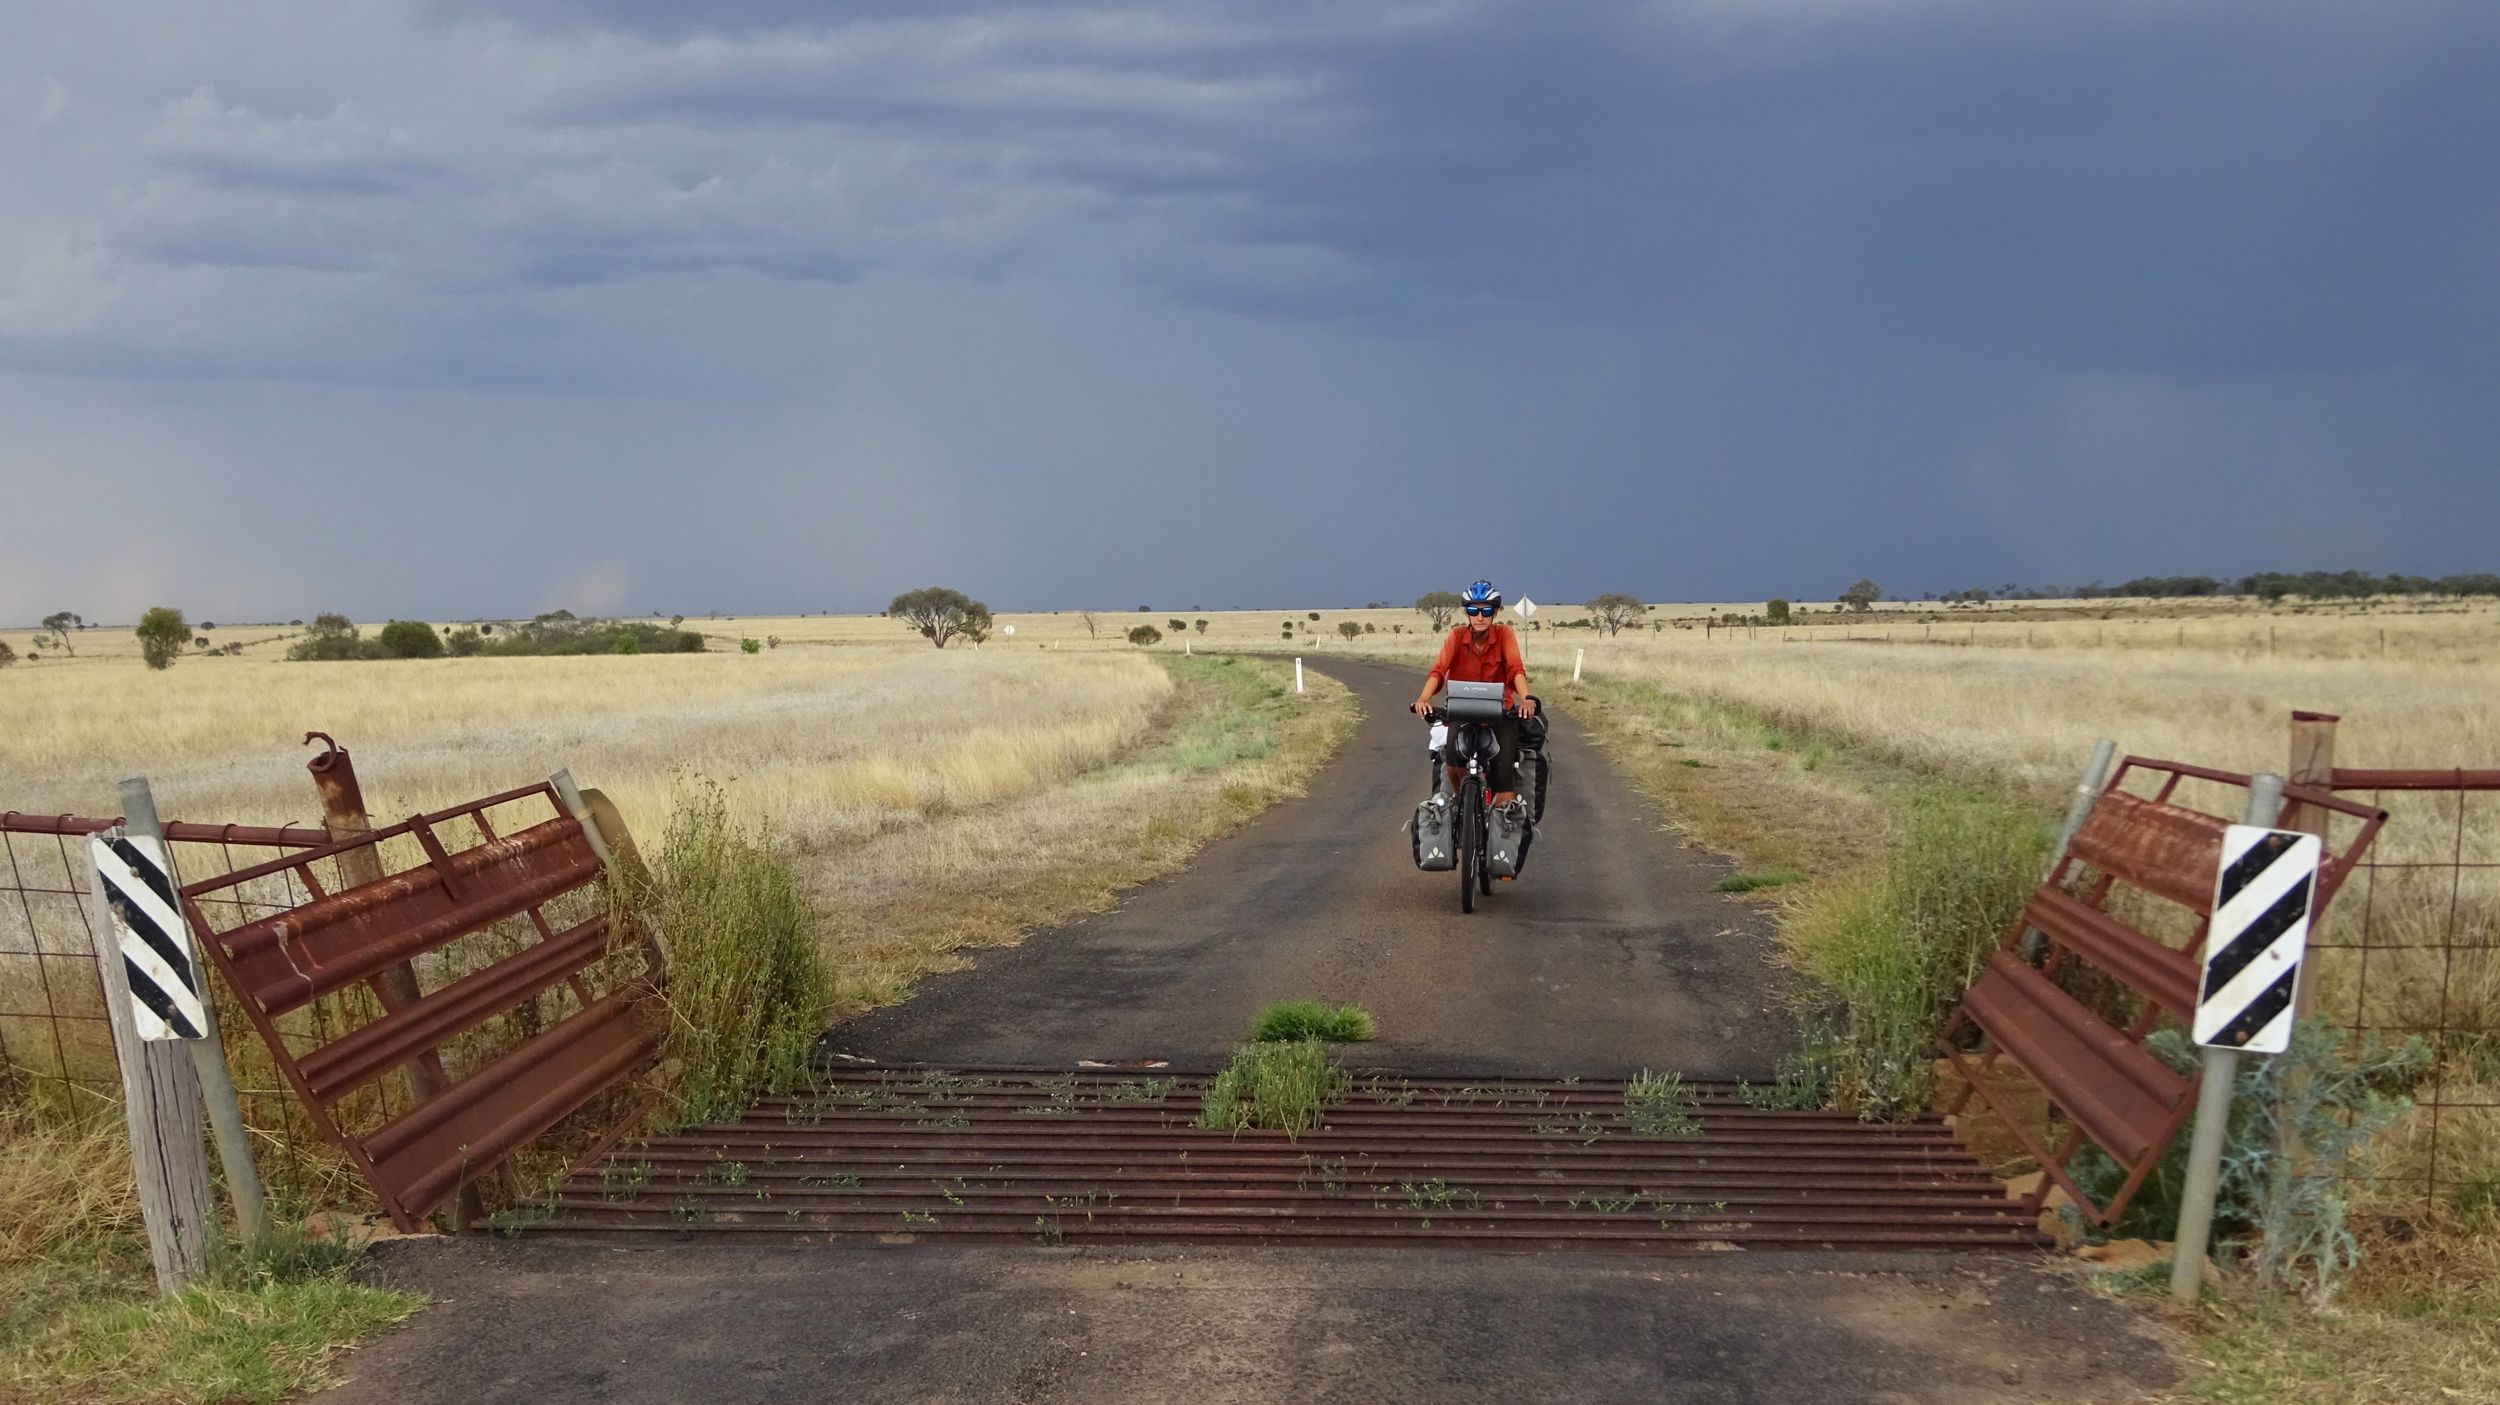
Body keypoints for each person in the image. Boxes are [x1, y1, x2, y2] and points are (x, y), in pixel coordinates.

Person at [1411, 579, 1537, 811]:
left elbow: (1516, 669)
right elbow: (1438, 671)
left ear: (1495, 612)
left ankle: (1501, 826)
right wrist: (1424, 698)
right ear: (1466, 612)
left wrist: (1526, 699)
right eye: (1473, 610)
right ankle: (1463, 806)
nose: (1480, 617)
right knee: (1452, 763)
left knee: (1504, 782)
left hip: (1501, 713)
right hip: (1463, 711)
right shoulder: (1457, 636)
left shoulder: (1504, 634)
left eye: (1486, 611)